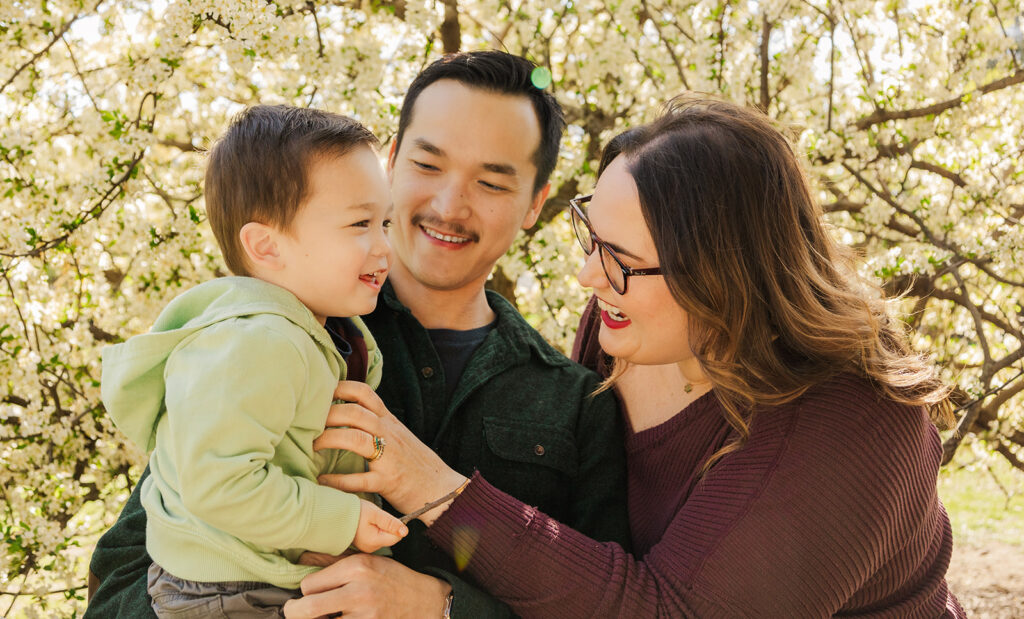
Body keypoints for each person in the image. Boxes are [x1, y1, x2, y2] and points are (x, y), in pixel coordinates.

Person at [293, 95, 966, 617]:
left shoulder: (850, 422)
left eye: (622, 260)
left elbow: (669, 609)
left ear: (724, 276)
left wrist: (434, 493)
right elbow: (582, 559)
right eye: (593, 236)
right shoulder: (627, 325)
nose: (590, 278)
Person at [87, 52, 630, 618]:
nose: (449, 206)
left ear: (534, 205)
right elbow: (128, 570)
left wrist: (446, 609)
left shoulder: (577, 406)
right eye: (427, 164)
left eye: (492, 183)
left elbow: (599, 608)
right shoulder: (267, 336)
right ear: (389, 164)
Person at [98, 105, 407, 616]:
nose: (384, 247)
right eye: (360, 224)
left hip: (256, 569)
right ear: (266, 245)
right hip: (226, 587)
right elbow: (221, 484)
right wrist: (343, 520)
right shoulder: (258, 343)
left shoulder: (320, 330)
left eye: (386, 222)